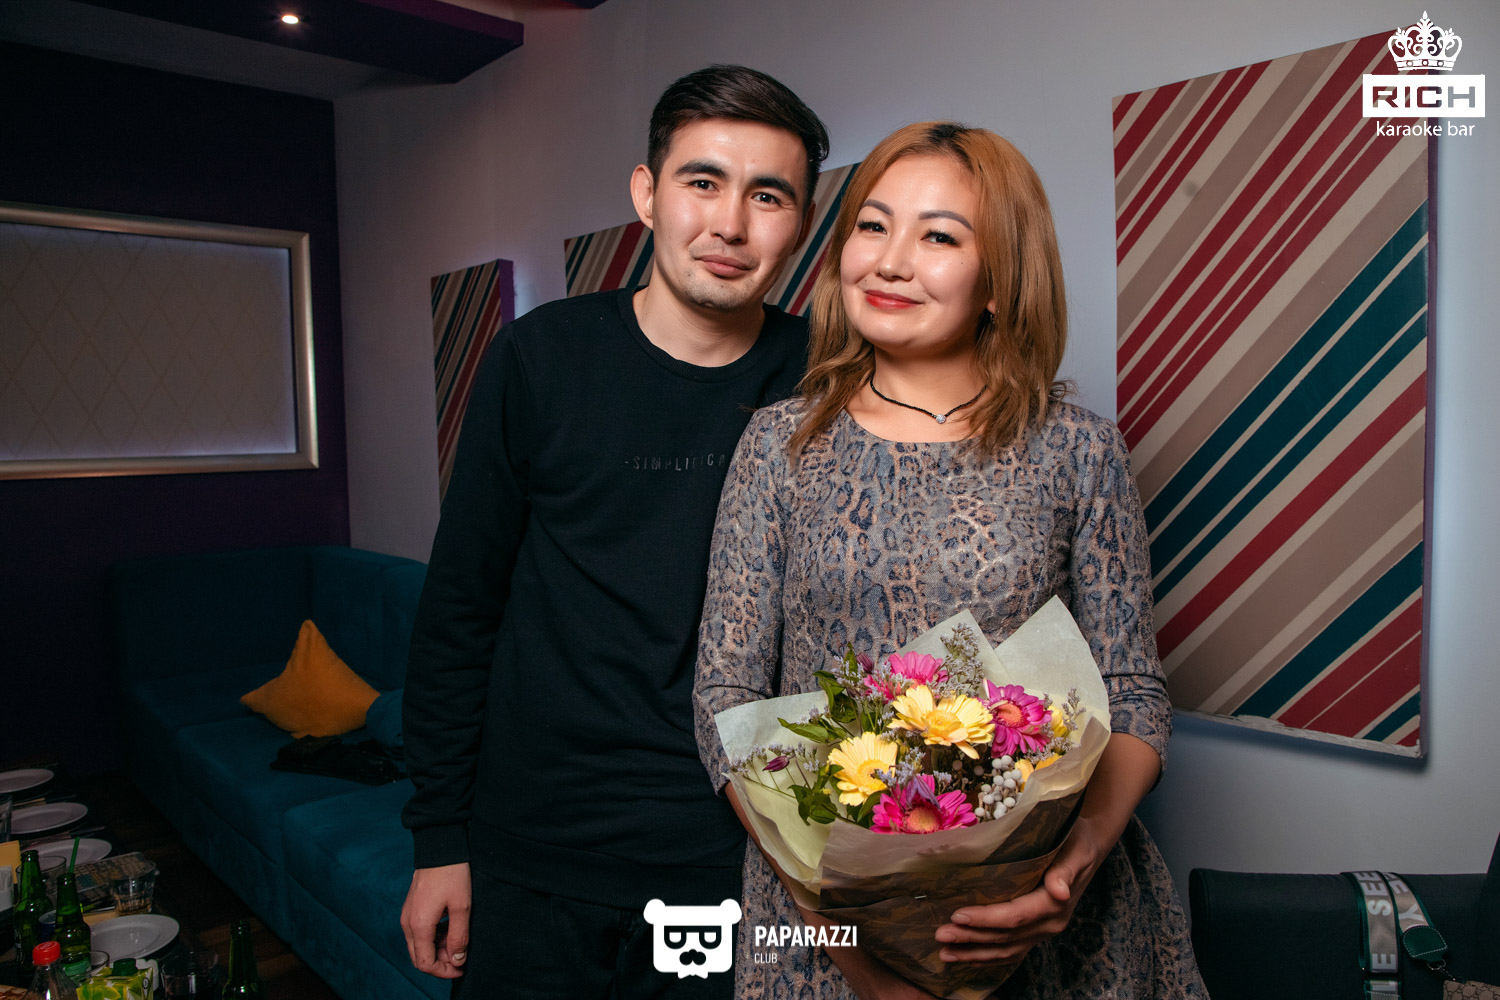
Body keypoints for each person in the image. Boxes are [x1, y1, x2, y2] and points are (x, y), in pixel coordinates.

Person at [693, 122, 1207, 998]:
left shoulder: (1077, 450)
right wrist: (858, 953)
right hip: (826, 925)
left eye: (938, 237)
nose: (890, 262)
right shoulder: (779, 444)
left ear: (1000, 281)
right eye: (872, 225)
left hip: (1048, 920)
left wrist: (1072, 868)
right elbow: (726, 701)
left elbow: (1132, 691)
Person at [400, 65, 829, 999]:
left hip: (729, 853)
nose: (729, 223)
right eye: (702, 181)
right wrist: (438, 837)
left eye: (768, 196)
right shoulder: (540, 356)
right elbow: (460, 608)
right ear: (646, 193)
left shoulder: (826, 381)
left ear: (800, 224)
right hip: (532, 843)